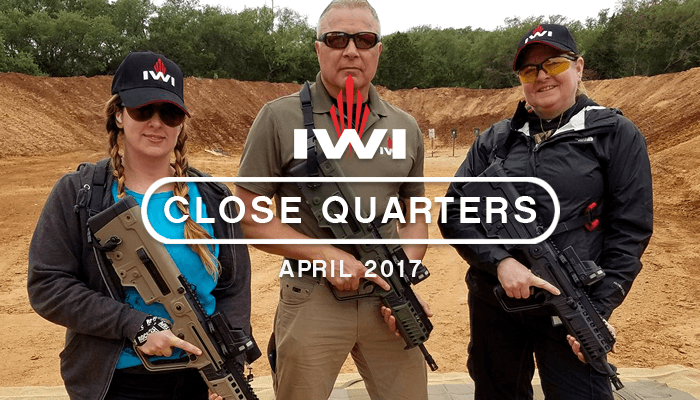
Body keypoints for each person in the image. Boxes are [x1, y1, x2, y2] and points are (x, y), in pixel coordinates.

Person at [438, 24, 653, 400]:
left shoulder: (615, 134)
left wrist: (597, 310)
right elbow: (455, 212)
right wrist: (501, 263)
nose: (541, 77)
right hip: (495, 302)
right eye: (529, 70)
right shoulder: (494, 141)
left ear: (578, 67)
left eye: (553, 64)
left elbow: (630, 230)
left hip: (569, 306)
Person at [27, 51, 254, 400]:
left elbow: (234, 289)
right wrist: (135, 325)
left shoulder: (211, 196)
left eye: (169, 113)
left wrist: (229, 363)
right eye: (142, 110)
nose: (156, 123)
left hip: (200, 381)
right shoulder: (81, 194)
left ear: (181, 124)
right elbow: (48, 285)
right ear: (119, 115)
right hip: (117, 381)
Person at [234, 1, 431, 399]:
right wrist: (323, 255)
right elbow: (247, 213)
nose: (352, 50)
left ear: (378, 50)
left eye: (365, 39)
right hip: (313, 295)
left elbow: (415, 214)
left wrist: (403, 273)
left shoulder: (405, 126)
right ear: (318, 48)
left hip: (385, 301)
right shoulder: (279, 117)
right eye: (337, 39)